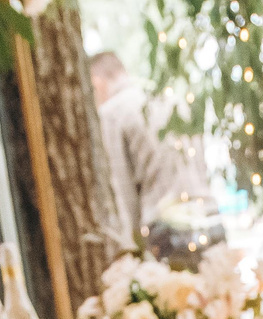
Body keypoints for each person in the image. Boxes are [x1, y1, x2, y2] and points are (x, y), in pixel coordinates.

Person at [88, 50, 223, 265]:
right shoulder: (168, 98)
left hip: (168, 231)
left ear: (97, 83)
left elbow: (123, 190)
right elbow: (200, 164)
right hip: (210, 218)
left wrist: (134, 250)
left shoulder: (112, 113)